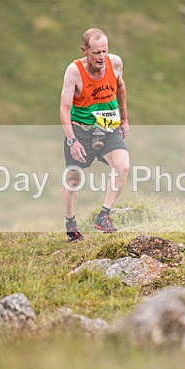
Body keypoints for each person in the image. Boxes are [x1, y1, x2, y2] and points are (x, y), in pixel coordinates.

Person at [59, 28, 130, 242]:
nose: (101, 57)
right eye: (96, 53)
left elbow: (121, 87)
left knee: (123, 165)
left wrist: (124, 119)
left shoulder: (115, 62)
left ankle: (103, 216)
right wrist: (72, 141)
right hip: (81, 131)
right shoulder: (74, 71)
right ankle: (71, 226)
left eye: (104, 52)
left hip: (106, 129)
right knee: (73, 180)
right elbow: (64, 108)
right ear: (85, 50)